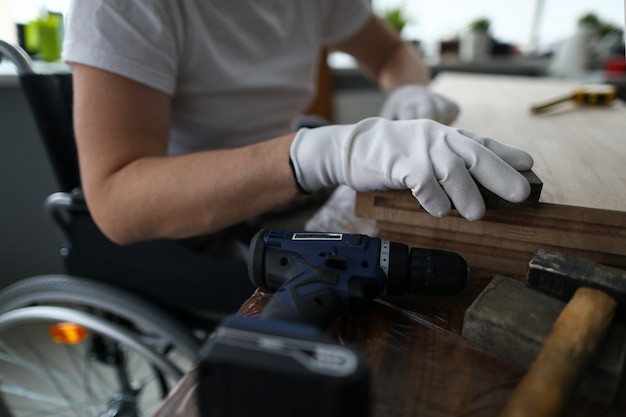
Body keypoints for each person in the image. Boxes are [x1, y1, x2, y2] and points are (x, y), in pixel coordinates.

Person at [61, 0, 533, 249]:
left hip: (288, 187)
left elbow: (391, 52)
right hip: (200, 218)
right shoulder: (118, 7)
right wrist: (317, 154)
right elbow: (116, 202)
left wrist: (407, 89)